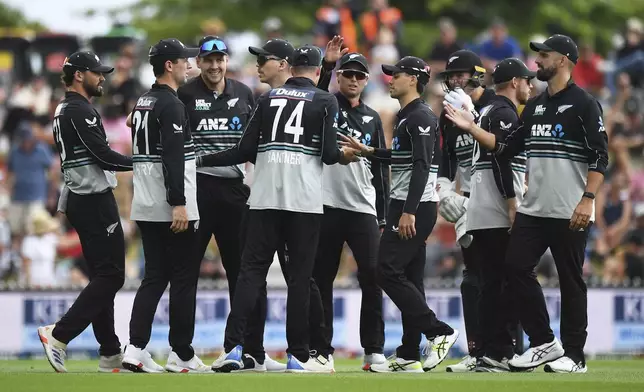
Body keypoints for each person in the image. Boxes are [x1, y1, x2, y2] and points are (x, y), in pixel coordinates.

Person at [444, 34, 609, 373]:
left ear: (563, 60)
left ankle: (575, 356)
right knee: (515, 268)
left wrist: (587, 199)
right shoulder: (534, 107)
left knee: (570, 280)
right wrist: (471, 127)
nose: (537, 62)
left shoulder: (584, 104)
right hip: (533, 209)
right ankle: (545, 341)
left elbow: (599, 156)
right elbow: (505, 148)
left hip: (570, 209)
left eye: (544, 56)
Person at [202, 45, 358, 373]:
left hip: (263, 199)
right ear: (317, 72)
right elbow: (330, 154)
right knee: (300, 280)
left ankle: (232, 347)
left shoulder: (266, 98)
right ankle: (298, 356)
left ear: (291, 67)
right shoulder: (325, 100)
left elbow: (245, 149)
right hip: (303, 202)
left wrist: (201, 159)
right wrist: (346, 155)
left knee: (249, 274)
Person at [342, 56, 459, 373]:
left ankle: (438, 331)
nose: (390, 79)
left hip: (413, 206)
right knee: (410, 277)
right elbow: (404, 156)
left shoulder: (419, 115)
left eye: (397, 75)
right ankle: (409, 352)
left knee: (386, 270)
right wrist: (370, 152)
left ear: (414, 80)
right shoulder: (409, 115)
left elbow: (422, 166)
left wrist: (408, 211)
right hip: (407, 204)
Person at [177, 36, 287, 372]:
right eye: (207, 60)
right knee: (185, 273)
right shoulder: (184, 95)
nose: (213, 66)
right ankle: (181, 352)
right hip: (197, 190)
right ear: (199, 62)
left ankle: (253, 350)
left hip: (235, 190)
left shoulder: (244, 94)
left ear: (227, 61)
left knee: (247, 273)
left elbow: (258, 142)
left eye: (219, 59)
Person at [37, 51, 133, 373]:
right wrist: (145, 162)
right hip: (92, 199)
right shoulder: (80, 110)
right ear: (79, 75)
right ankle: (59, 334)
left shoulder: (65, 108)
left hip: (80, 198)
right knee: (112, 276)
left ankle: (109, 352)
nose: (102, 77)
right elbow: (104, 157)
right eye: (97, 72)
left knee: (102, 276)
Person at [121, 39, 207, 373]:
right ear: (169, 65)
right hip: (169, 205)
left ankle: (136, 348)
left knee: (154, 278)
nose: (190, 64)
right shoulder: (170, 105)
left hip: (144, 202)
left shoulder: (145, 100)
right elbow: (172, 156)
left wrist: (190, 72)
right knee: (184, 279)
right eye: (184, 60)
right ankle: (182, 353)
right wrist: (179, 204)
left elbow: (133, 122)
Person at [446, 58, 533, 371]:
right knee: (504, 282)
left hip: (478, 209)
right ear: (514, 82)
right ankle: (501, 351)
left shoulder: (484, 112)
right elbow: (502, 159)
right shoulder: (504, 112)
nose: (531, 86)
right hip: (496, 209)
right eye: (527, 80)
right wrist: (511, 201)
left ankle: (487, 351)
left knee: (487, 283)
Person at [312, 36, 387, 370]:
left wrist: (383, 215)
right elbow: (311, 95)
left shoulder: (373, 118)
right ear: (339, 77)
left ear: (367, 80)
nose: (354, 80)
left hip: (362, 209)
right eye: (348, 74)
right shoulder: (326, 105)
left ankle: (374, 349)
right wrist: (327, 65)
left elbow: (381, 167)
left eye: (360, 75)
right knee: (321, 278)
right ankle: (322, 350)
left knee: (372, 277)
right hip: (326, 205)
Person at [435, 49, 492, 372]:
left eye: (460, 75)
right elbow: (447, 161)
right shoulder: (447, 113)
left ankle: (506, 348)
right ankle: (477, 350)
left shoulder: (495, 106)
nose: (455, 81)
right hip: (469, 198)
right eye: (451, 76)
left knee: (499, 277)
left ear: (477, 74)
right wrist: (443, 188)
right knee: (471, 280)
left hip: (498, 197)